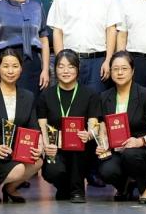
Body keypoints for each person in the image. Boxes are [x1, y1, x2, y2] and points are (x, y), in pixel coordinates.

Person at [0, 49, 44, 203]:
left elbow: (33, 127)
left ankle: (10, 188)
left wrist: (39, 147)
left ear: (21, 68)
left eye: (15, 66)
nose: (10, 71)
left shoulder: (28, 96)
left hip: (15, 152)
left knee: (38, 161)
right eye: (5, 66)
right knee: (19, 169)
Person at [47, 0, 121, 93]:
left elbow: (111, 30)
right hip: (70, 61)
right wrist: (62, 61)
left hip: (98, 61)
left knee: (97, 102)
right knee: (71, 102)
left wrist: (108, 60)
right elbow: (57, 32)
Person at [97, 52, 146, 203]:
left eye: (124, 68)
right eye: (115, 69)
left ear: (132, 71)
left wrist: (139, 141)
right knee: (106, 171)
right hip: (116, 150)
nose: (120, 73)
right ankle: (124, 186)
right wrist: (103, 144)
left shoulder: (145, 95)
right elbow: (103, 129)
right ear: (110, 71)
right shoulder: (104, 97)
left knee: (131, 154)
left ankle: (143, 187)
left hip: (142, 150)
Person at [38, 50, 100, 203]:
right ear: (55, 69)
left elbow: (94, 124)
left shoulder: (90, 94)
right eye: (61, 66)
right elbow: (42, 126)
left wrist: (89, 134)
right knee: (53, 171)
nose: (65, 71)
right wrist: (46, 146)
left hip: (81, 148)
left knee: (79, 149)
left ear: (78, 69)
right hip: (55, 147)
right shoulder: (46, 95)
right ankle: (64, 187)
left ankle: (77, 190)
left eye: (71, 66)